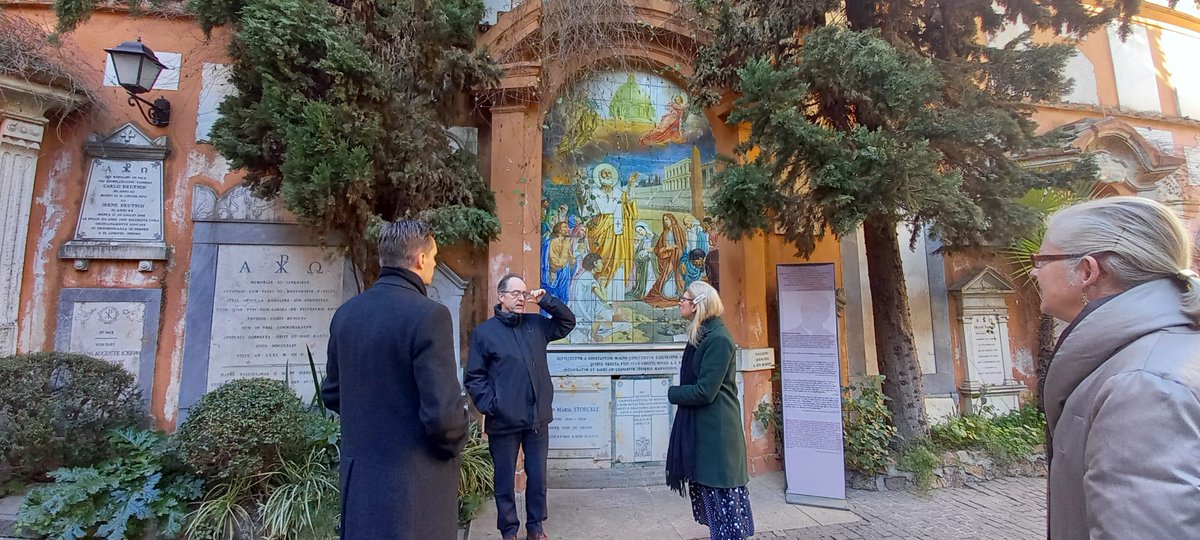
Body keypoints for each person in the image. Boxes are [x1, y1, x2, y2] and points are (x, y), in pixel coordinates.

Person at [1034, 197, 1200, 539]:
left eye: (1041, 260)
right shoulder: (1147, 356)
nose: (1034, 271)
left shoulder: (1142, 385)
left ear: (1088, 271)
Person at [321, 220, 469, 539]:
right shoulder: (429, 316)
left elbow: (332, 393)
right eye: (433, 258)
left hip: (360, 482)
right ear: (419, 259)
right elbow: (444, 416)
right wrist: (456, 438)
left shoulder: (347, 314)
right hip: (414, 485)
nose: (433, 265)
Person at [465, 275, 576, 540]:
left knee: (537, 478)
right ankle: (509, 530)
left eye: (524, 293)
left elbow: (567, 322)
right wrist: (493, 405)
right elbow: (474, 377)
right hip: (503, 421)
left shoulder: (536, 324)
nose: (520, 298)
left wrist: (545, 300)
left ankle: (535, 528)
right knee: (504, 481)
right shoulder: (485, 333)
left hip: (537, 418)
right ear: (501, 296)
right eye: (515, 293)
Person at [665, 281, 754, 540]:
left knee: (725, 511)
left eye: (684, 298)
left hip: (718, 434)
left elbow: (705, 391)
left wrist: (673, 393)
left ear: (697, 305)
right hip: (706, 430)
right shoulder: (704, 334)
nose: (680, 302)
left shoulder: (718, 339)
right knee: (715, 510)